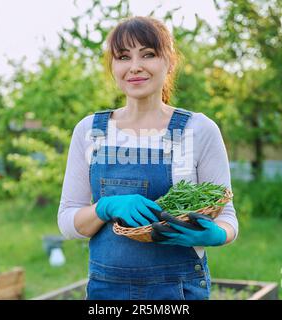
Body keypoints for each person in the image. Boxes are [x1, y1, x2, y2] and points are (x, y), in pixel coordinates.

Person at [58, 16, 238, 300]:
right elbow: (68, 222)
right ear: (113, 67)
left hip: (178, 292)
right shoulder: (90, 131)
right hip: (107, 293)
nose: (135, 67)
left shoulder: (198, 129)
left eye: (148, 54)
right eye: (123, 57)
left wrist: (215, 235)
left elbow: (227, 217)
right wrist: (104, 207)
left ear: (169, 62)